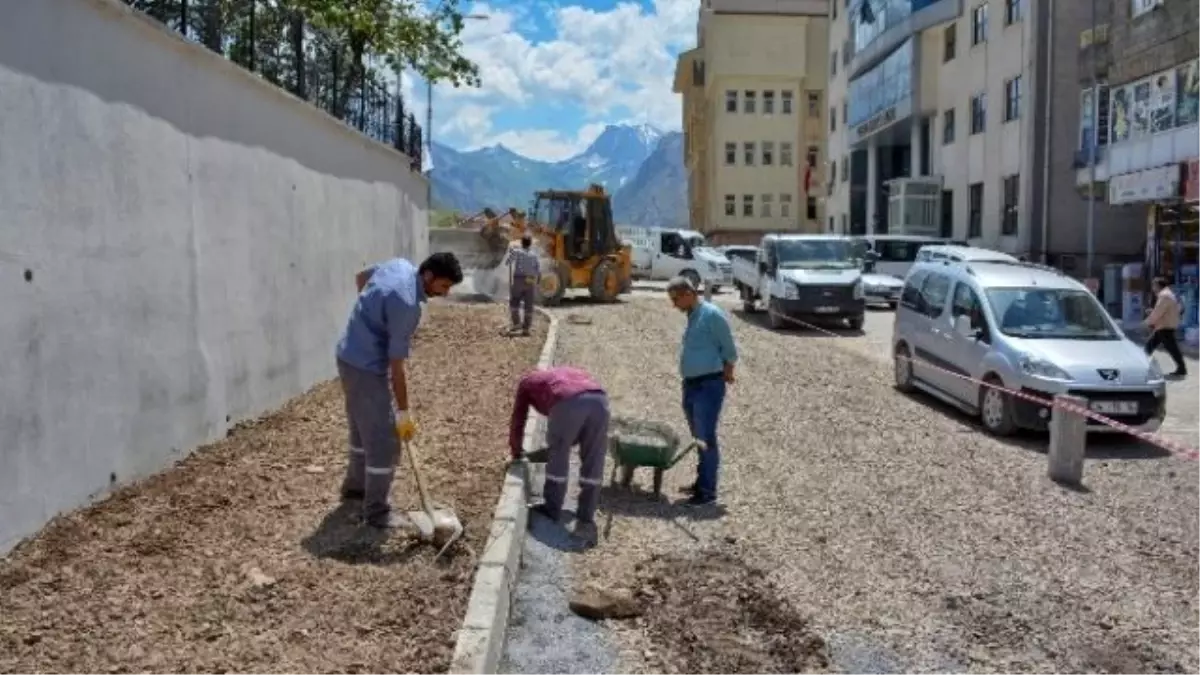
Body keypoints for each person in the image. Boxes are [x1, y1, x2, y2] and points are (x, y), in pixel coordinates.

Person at [336, 252, 464, 528]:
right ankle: (377, 512)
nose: (444, 293)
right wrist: (403, 413)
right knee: (385, 441)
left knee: (361, 429)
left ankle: (355, 488)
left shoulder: (400, 265)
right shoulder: (407, 305)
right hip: (367, 367)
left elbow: (361, 278)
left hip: (347, 355)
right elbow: (397, 367)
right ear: (428, 276)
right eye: (443, 286)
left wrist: (370, 322)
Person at [509, 366, 609, 542]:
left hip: (566, 400)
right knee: (594, 458)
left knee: (558, 457)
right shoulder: (565, 373)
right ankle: (585, 516)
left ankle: (552, 509)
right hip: (600, 401)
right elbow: (583, 405)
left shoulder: (526, 384)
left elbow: (519, 419)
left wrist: (516, 450)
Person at [667, 276, 737, 506]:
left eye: (676, 299)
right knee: (698, 438)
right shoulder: (693, 316)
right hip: (692, 384)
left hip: (708, 385)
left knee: (706, 437)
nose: (674, 304)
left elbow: (729, 348)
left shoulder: (712, 315)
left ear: (688, 294)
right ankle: (701, 482)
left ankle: (707, 492)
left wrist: (728, 370)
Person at [1144, 276, 1187, 377]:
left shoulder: (1164, 296)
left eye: (1154, 285)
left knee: (1171, 349)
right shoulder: (1169, 294)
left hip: (1165, 326)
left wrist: (1148, 322)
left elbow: (1158, 312)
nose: (1153, 288)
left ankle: (1182, 369)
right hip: (1164, 325)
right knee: (1149, 346)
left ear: (1158, 286)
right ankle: (1142, 365)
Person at [507, 235, 540, 335]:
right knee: (529, 304)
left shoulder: (517, 252)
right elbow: (538, 270)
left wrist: (511, 251)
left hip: (519, 279)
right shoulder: (534, 255)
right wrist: (537, 282)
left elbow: (508, 262)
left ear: (521, 243)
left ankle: (516, 323)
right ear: (530, 244)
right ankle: (526, 328)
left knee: (515, 301)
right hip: (531, 280)